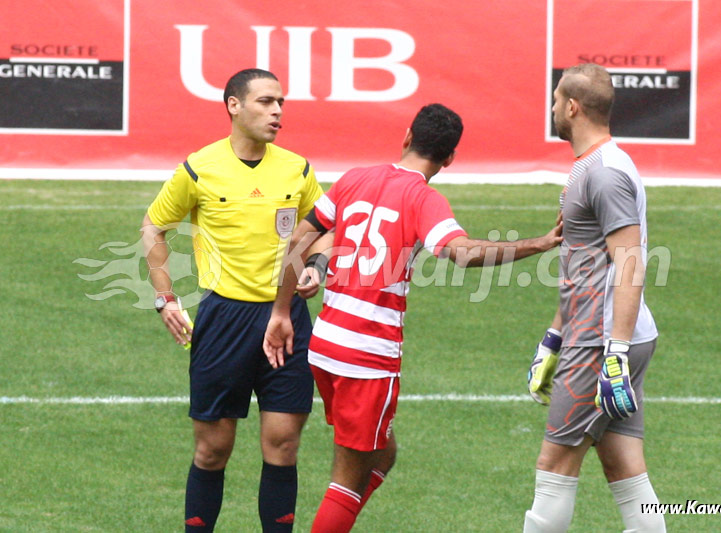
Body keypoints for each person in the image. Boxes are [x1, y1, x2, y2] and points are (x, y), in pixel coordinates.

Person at [263, 103, 563, 533]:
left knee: (382, 454)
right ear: (450, 158)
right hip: (366, 357)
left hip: (325, 346)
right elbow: (462, 253)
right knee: (347, 479)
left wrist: (282, 309)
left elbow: (301, 236)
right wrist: (539, 243)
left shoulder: (355, 178)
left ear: (407, 136)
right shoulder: (423, 198)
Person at [141, 68, 327, 532]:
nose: (277, 111)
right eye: (266, 101)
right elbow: (154, 227)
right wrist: (165, 297)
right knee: (212, 449)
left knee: (283, 445)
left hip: (288, 317)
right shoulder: (199, 168)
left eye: (281, 102)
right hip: (224, 319)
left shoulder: (297, 169)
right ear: (234, 106)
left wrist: (316, 266)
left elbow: (323, 230)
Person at [523, 63, 666, 532]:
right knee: (623, 465)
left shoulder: (603, 174)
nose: (551, 108)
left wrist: (614, 354)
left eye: (555, 100)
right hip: (599, 335)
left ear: (572, 107)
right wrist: (554, 336)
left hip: (600, 343)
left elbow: (629, 264)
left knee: (554, 465)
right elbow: (583, 266)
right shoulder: (594, 166)